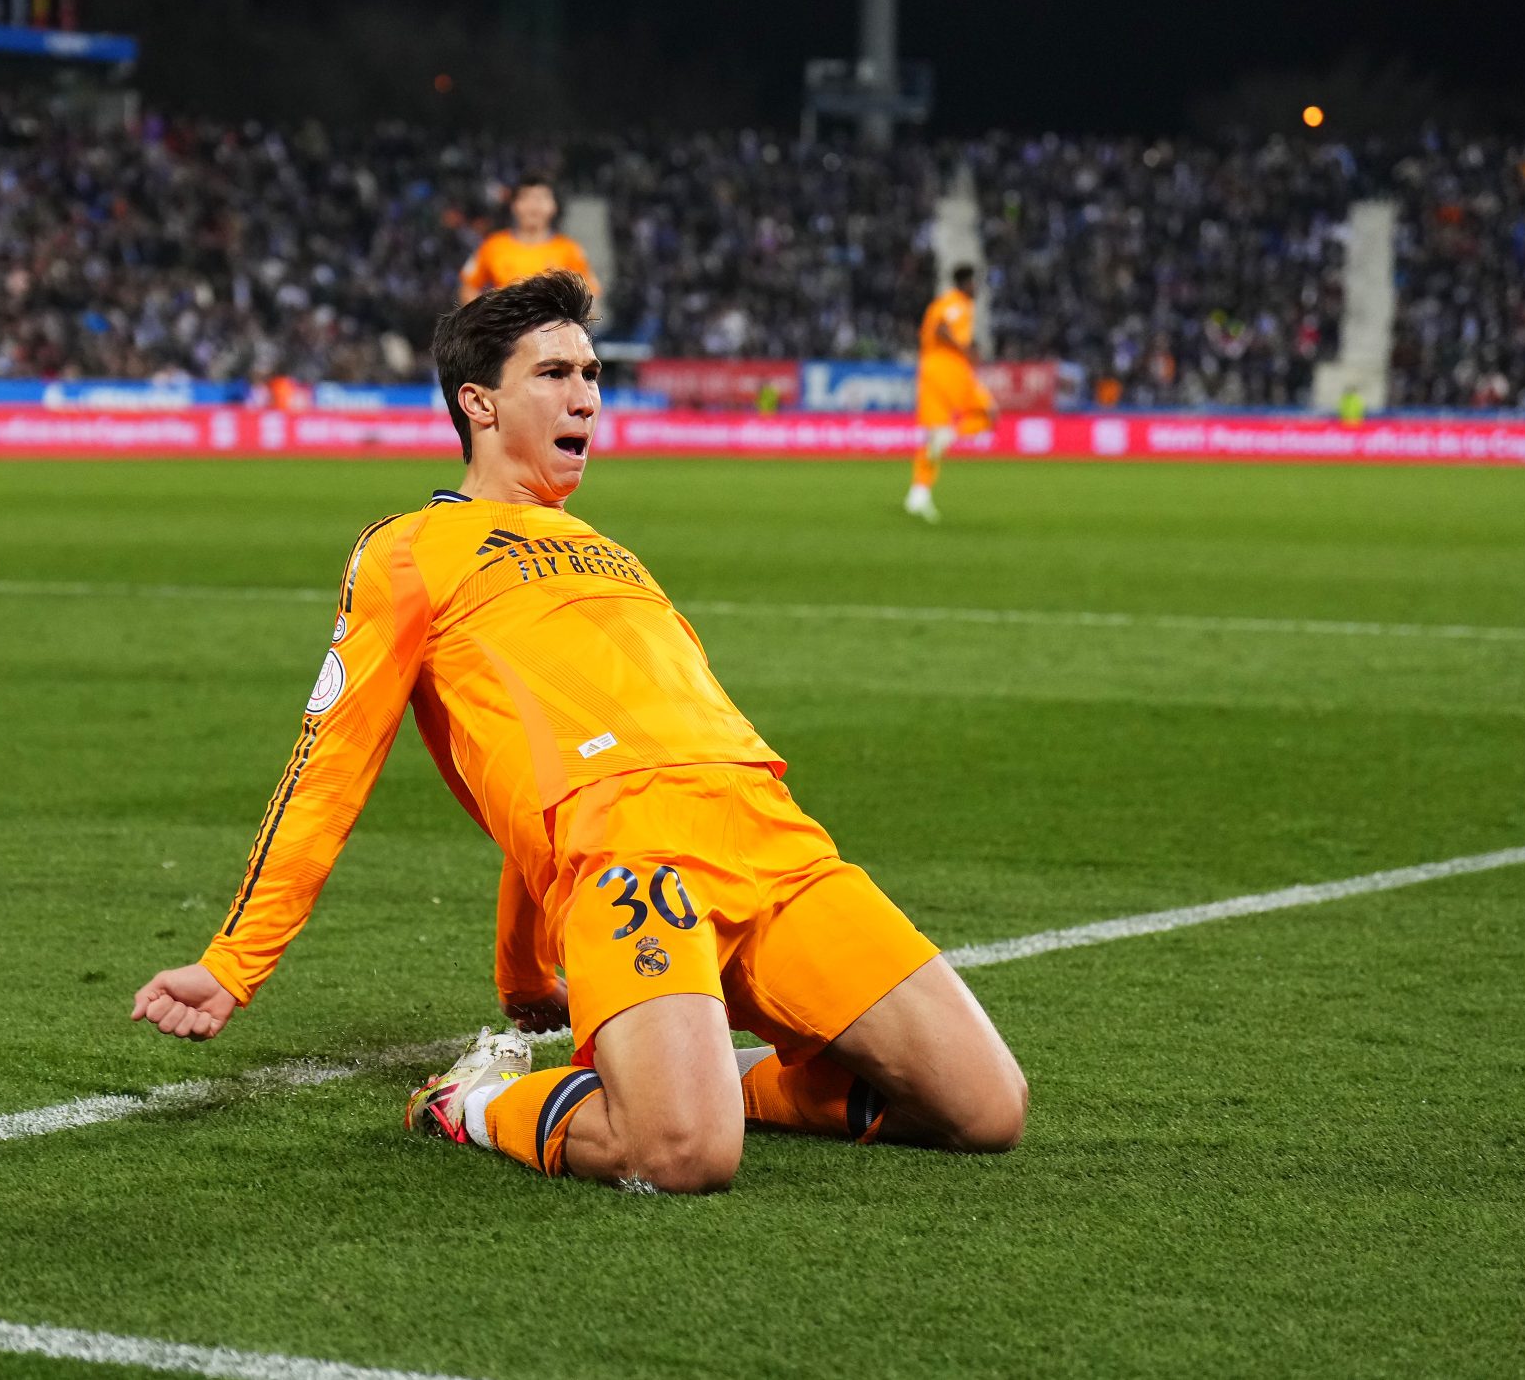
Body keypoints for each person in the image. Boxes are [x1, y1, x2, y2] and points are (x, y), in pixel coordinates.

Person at [130, 271, 1025, 1192]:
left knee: (986, 1109)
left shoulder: (612, 549)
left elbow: (544, 760)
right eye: (555, 373)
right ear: (478, 402)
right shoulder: (407, 551)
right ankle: (473, 1098)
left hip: (777, 844)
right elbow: (332, 768)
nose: (587, 394)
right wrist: (233, 964)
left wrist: (521, 976)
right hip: (633, 866)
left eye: (592, 372)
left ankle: (724, 1078)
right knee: (684, 1154)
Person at [907, 263, 996, 523]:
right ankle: (919, 493)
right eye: (974, 283)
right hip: (942, 372)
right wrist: (964, 349)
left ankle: (948, 439)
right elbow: (941, 329)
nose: (976, 288)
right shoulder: (953, 303)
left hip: (956, 373)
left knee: (987, 414)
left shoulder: (960, 306)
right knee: (940, 435)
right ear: (965, 283)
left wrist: (968, 348)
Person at [457, 175, 598, 306]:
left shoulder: (569, 250)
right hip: (507, 328)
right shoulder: (492, 246)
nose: (533, 205)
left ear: (554, 206)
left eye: (541, 198)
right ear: (514, 205)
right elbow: (468, 288)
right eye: (526, 197)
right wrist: (488, 320)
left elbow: (589, 293)